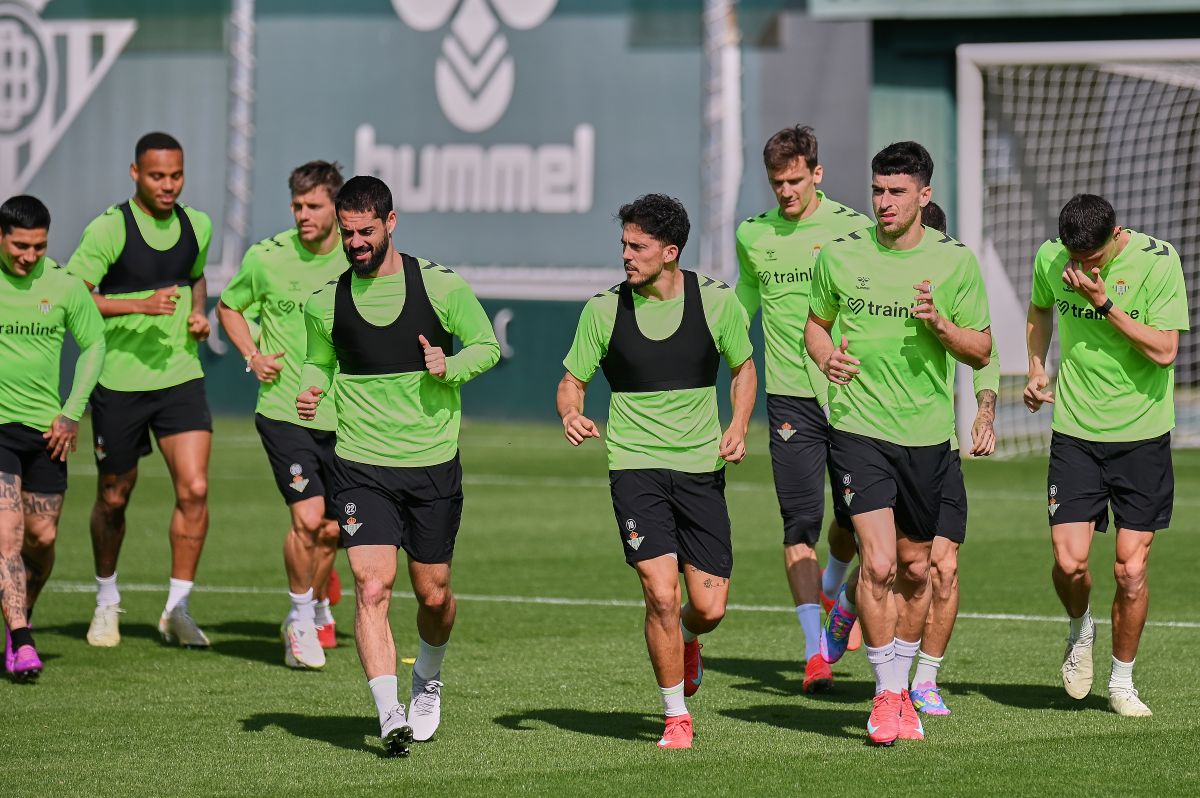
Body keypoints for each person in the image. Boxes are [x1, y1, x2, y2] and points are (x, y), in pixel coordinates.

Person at [297, 175, 499, 756]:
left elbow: (485, 347)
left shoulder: (440, 286)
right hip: (361, 464)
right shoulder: (324, 301)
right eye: (346, 233)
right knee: (370, 586)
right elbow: (319, 362)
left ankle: (427, 677)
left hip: (432, 464)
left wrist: (448, 366)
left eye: (365, 232)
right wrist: (312, 390)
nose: (354, 242)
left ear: (391, 222)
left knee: (433, 596)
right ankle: (390, 715)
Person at [805, 142, 992, 746]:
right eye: (878, 191)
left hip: (927, 438)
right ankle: (887, 697)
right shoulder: (838, 256)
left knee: (917, 571)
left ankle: (908, 685)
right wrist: (826, 355)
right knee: (879, 563)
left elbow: (983, 350)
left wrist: (942, 326)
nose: (883, 203)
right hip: (858, 430)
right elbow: (816, 323)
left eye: (896, 192)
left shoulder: (956, 263)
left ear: (924, 196)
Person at [558, 194, 756, 750]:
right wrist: (572, 412)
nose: (626, 254)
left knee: (708, 607)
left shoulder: (716, 302)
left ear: (670, 252)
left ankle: (689, 640)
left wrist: (738, 424)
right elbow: (572, 380)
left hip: (700, 468)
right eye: (623, 244)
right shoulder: (603, 310)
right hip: (634, 468)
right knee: (660, 595)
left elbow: (744, 369)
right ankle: (675, 716)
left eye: (638, 246)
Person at [1025, 193, 1188, 717]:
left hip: (1141, 437)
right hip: (1075, 431)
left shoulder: (1159, 261)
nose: (1078, 269)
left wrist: (1103, 303)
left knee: (1129, 572)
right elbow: (1039, 308)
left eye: (1090, 261)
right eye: (1073, 258)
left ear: (1116, 236)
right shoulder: (1053, 259)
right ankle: (1079, 629)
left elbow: (1165, 351)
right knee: (1069, 562)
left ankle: (1121, 681)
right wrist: (1035, 368)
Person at [733, 125, 870, 693]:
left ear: (817, 172)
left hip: (851, 398)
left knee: (855, 524)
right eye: (776, 183)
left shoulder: (854, 229)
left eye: (794, 180)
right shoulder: (753, 235)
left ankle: (835, 589)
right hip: (789, 398)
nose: (785, 192)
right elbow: (739, 311)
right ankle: (816, 653)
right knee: (799, 525)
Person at [66, 132, 214, 649]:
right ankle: (107, 601)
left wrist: (199, 314)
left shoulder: (198, 225)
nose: (168, 185)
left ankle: (178, 608)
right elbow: (75, 298)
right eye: (157, 176)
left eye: (176, 175)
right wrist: (137, 304)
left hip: (180, 378)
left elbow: (196, 279)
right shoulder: (109, 229)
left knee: (194, 490)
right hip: (119, 382)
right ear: (135, 174)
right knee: (113, 495)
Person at [218, 161, 349, 669]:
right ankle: (300, 621)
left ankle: (312, 607)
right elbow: (229, 307)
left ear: (336, 209)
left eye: (313, 206)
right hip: (283, 411)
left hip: (346, 417)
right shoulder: (266, 258)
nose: (302, 215)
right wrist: (252, 355)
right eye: (296, 206)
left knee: (335, 531)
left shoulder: (358, 258)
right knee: (308, 518)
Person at [0, 195, 105, 680]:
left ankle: (19, 614)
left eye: (39, 247)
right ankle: (22, 640)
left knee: (41, 540)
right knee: (7, 536)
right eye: (20, 246)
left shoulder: (63, 285)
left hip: (47, 432)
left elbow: (93, 345)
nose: (29, 256)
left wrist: (70, 413)